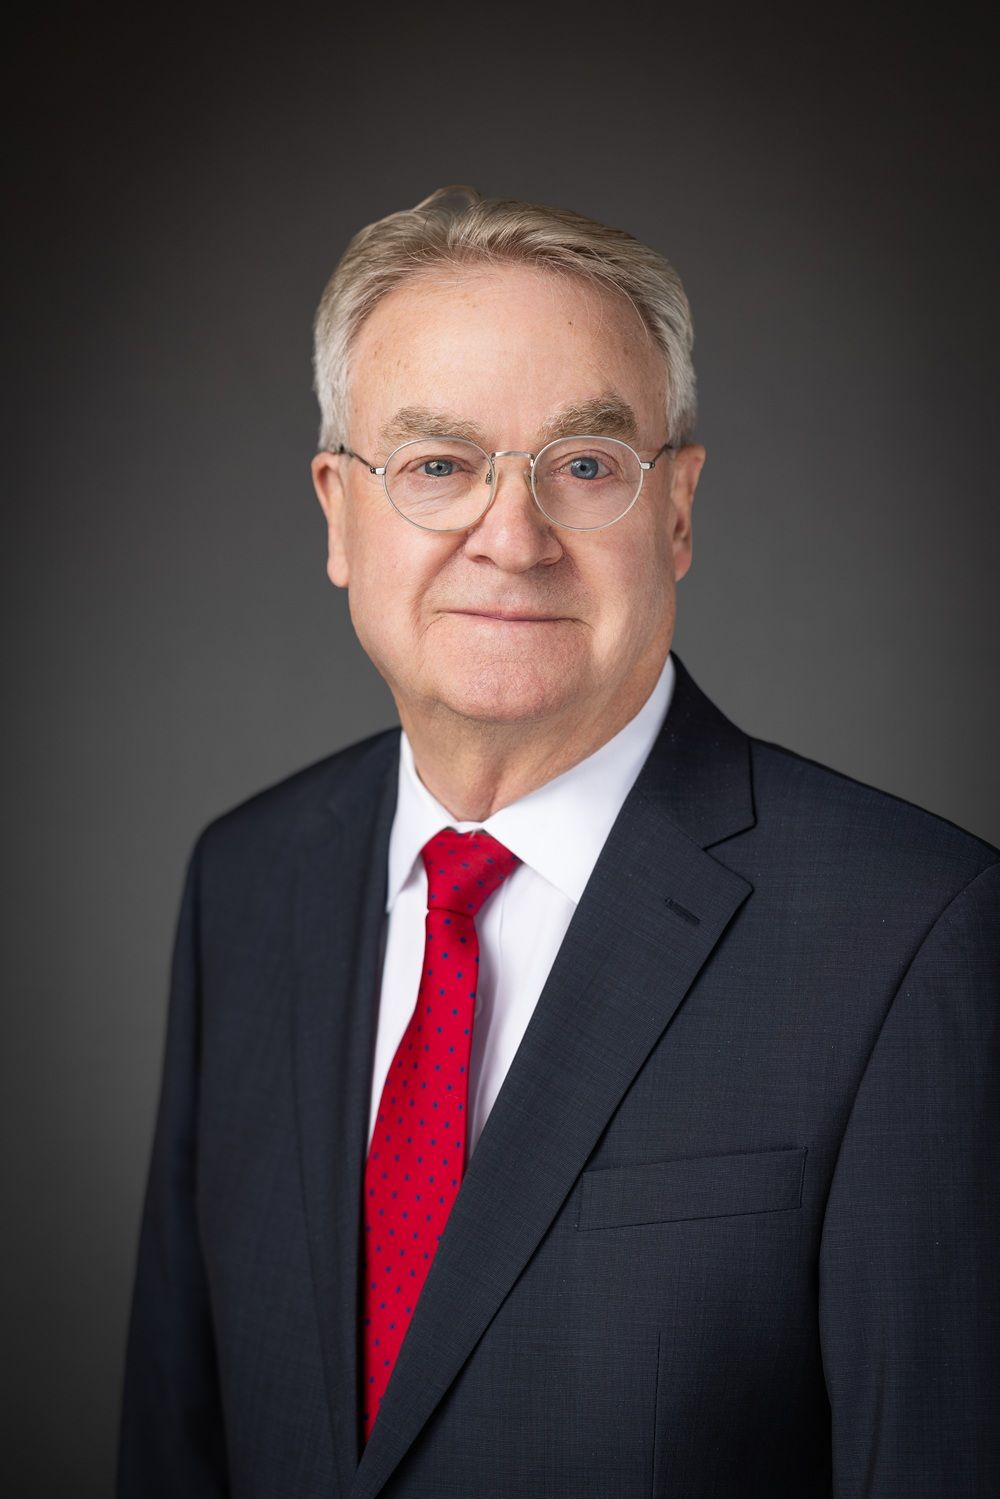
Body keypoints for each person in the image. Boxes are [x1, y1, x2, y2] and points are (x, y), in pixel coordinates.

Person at [117, 186, 1000, 1499]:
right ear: (335, 515)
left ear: (680, 511)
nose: (512, 536)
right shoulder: (249, 882)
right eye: (436, 466)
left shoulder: (914, 935)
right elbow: (176, 1444)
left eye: (585, 467)